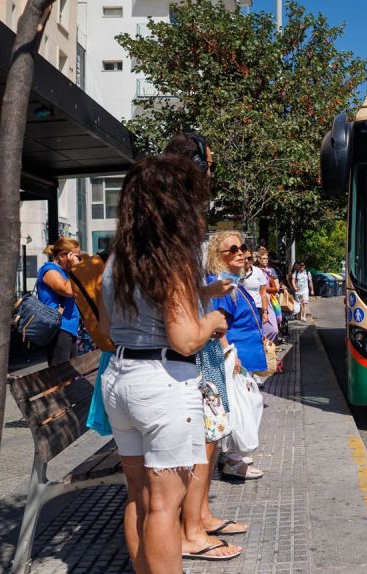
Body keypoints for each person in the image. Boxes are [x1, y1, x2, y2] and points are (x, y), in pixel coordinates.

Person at [99, 155, 240, 570]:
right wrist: (212, 319)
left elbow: (106, 328)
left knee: (140, 498)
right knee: (165, 506)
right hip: (162, 385)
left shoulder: (116, 260)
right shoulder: (171, 257)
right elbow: (183, 339)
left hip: (120, 379)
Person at [162, 133, 251, 554]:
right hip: (191, 348)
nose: (211, 173)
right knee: (203, 436)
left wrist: (208, 293)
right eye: (208, 164)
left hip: (202, 347)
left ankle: (200, 518)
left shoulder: (181, 216)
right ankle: (192, 530)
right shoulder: (173, 220)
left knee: (211, 435)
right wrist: (210, 306)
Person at [206, 231, 267, 480]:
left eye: (241, 247)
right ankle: (233, 460)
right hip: (232, 358)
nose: (240, 252)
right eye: (232, 250)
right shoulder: (221, 283)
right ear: (217, 256)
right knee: (237, 407)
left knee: (244, 405)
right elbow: (218, 323)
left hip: (240, 356)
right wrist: (228, 353)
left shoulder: (232, 281)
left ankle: (234, 456)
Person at [36, 237, 82, 366]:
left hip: (70, 326)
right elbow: (66, 290)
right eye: (75, 257)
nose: (78, 260)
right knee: (59, 375)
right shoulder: (49, 270)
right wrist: (76, 268)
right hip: (60, 328)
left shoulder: (66, 272)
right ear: (62, 255)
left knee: (70, 373)